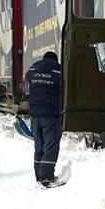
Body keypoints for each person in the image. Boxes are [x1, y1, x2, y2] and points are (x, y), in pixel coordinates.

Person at [25, 51, 62, 186]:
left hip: (35, 114)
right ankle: (46, 176)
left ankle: (38, 175)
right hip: (51, 114)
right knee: (51, 146)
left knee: (39, 146)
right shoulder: (58, 70)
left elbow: (27, 90)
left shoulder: (33, 68)